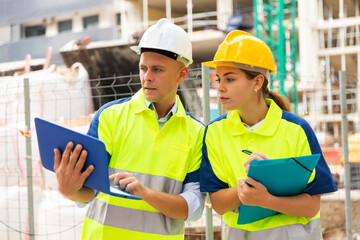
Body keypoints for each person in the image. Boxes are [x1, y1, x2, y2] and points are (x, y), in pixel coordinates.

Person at [53, 18, 205, 239]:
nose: (147, 77)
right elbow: (89, 191)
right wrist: (70, 190)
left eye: (157, 69)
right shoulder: (109, 117)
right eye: (143, 68)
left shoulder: (197, 133)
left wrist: (146, 194)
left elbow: (194, 209)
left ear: (182, 74)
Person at [200, 30, 338, 239]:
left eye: (229, 79)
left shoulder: (297, 130)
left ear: (257, 82)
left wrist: (265, 199)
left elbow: (311, 206)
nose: (220, 88)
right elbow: (218, 204)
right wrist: (243, 187)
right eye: (218, 79)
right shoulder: (214, 132)